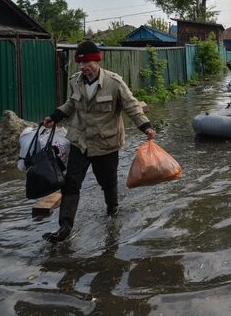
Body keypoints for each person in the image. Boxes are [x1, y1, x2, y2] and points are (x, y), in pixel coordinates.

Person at [41, 41, 155, 243]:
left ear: (97, 60)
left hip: (106, 144)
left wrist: (145, 126)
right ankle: (65, 227)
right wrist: (55, 116)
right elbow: (70, 105)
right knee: (71, 183)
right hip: (80, 141)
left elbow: (132, 106)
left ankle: (112, 210)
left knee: (107, 182)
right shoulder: (76, 81)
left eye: (87, 63)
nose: (83, 67)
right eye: (80, 63)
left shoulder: (114, 83)